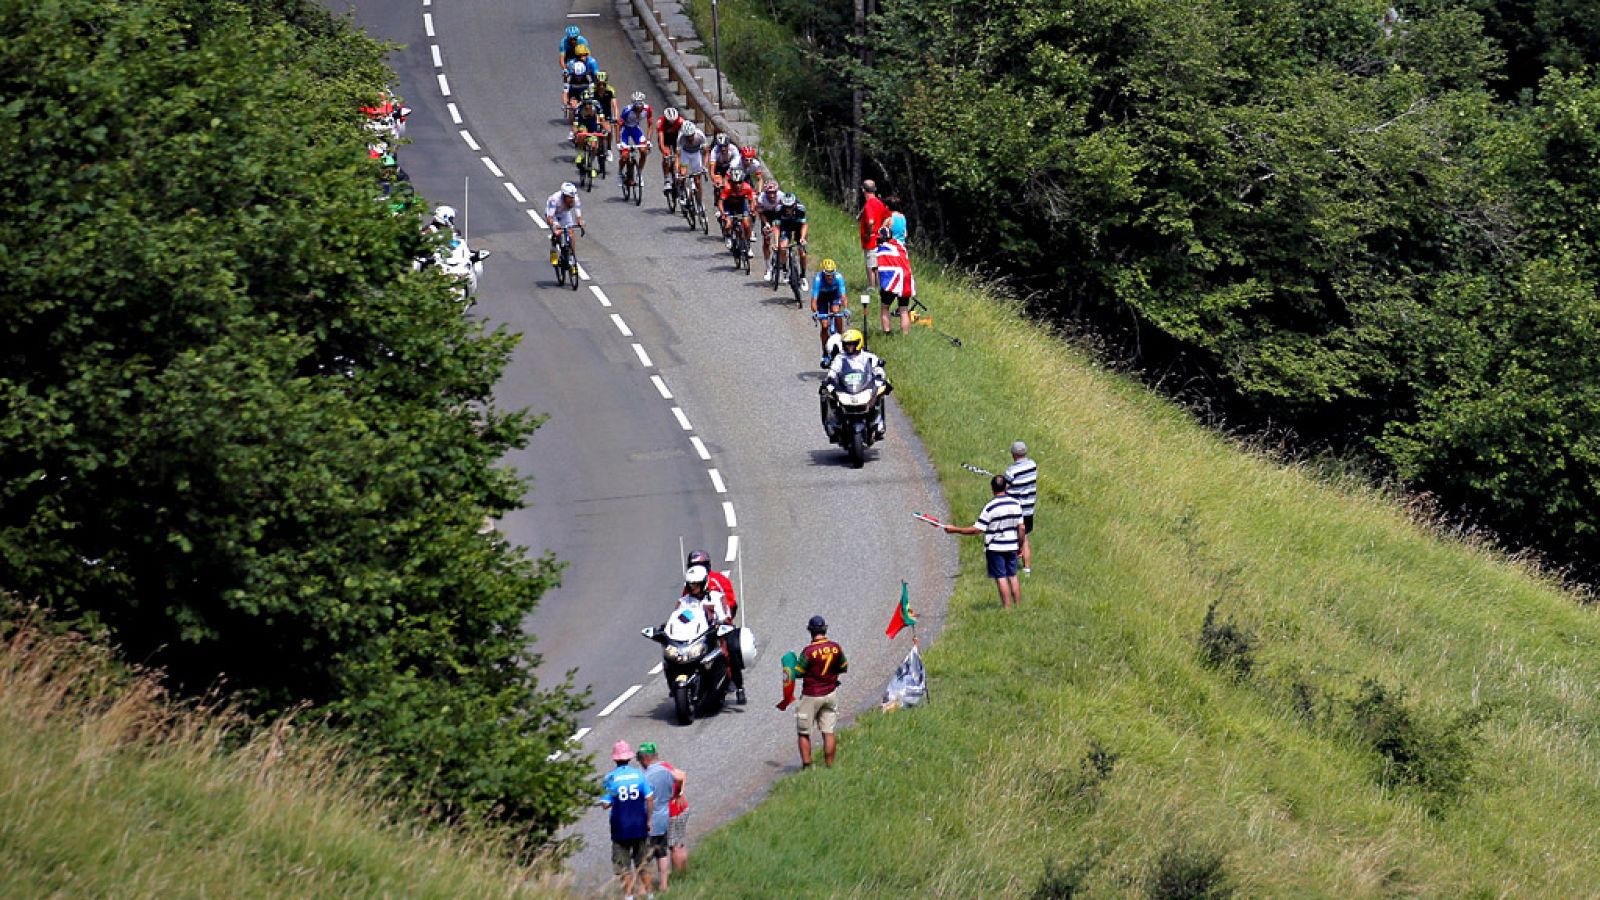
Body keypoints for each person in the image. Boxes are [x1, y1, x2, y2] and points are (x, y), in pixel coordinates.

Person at [943, 474, 1031, 609]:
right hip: (1012, 545)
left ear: (992, 488)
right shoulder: (1016, 504)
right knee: (1012, 576)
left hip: (995, 548)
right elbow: (1022, 528)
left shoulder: (990, 507)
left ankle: (1007, 609)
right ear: (1006, 487)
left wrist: (955, 529)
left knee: (1001, 577)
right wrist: (1019, 545)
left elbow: (977, 530)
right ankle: (1018, 606)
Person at [682, 563, 745, 703]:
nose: (693, 587)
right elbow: (678, 617)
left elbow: (726, 615)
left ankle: (739, 686)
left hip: (714, 634)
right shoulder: (684, 601)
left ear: (704, 583)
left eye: (696, 584)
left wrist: (719, 623)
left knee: (730, 649)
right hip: (694, 636)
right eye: (690, 584)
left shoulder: (717, 597)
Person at [600, 740, 654, 900]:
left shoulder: (610, 778)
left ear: (615, 759)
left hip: (620, 828)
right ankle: (650, 895)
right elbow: (649, 798)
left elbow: (605, 804)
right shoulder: (639, 775)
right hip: (639, 825)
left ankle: (629, 896)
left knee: (623, 866)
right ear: (629, 758)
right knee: (643, 863)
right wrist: (648, 820)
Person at [794, 615, 846, 768]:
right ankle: (829, 765)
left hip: (811, 695)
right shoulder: (836, 647)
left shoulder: (808, 652)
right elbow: (844, 667)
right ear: (825, 629)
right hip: (830, 693)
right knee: (828, 731)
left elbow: (798, 672)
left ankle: (807, 766)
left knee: (804, 732)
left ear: (810, 631)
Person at [821, 329, 889, 441]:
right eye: (846, 344)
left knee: (880, 392)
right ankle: (833, 424)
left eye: (851, 344)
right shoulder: (840, 358)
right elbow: (833, 371)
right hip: (846, 388)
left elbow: (878, 368)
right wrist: (829, 380)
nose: (849, 347)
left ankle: (878, 423)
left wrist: (880, 376)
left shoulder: (868, 356)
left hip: (864, 387)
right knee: (826, 394)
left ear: (858, 343)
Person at [637, 742, 681, 894]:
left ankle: (643, 889)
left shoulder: (645, 776)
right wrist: (674, 796)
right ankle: (664, 884)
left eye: (639, 760)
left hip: (649, 820)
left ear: (645, 759)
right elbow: (678, 781)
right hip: (664, 817)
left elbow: (643, 799)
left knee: (643, 857)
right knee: (662, 853)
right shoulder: (667, 771)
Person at [875, 224, 916, 335]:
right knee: (904, 309)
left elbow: (879, 269)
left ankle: (887, 334)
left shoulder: (880, 249)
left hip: (893, 279)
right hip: (907, 278)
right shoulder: (900, 245)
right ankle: (905, 335)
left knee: (885, 307)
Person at [1004, 440, 1039, 569]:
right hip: (1029, 510)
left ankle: (1009, 565)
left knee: (1011, 538)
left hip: (1015, 511)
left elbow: (1004, 488)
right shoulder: (1033, 465)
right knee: (1025, 539)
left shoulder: (1011, 471)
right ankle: (1027, 570)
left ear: (1013, 454)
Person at [810, 258, 849, 367]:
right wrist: (815, 312)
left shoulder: (839, 277)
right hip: (822, 298)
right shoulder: (818, 279)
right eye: (827, 274)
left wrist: (846, 308)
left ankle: (840, 336)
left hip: (834, 296)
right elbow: (814, 301)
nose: (830, 277)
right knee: (824, 325)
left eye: (832, 274)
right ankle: (825, 352)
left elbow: (843, 296)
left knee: (836, 311)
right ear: (823, 273)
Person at [616, 93, 653, 186]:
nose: (638, 107)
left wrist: (648, 140)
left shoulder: (647, 109)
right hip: (625, 130)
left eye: (640, 104)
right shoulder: (627, 110)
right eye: (636, 104)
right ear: (633, 104)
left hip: (635, 129)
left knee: (643, 151)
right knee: (624, 156)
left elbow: (650, 125)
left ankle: (639, 173)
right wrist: (618, 142)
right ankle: (620, 173)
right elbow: (618, 126)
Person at [857, 179, 890, 284]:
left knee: (870, 265)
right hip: (878, 239)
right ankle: (877, 287)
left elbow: (870, 222)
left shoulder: (869, 205)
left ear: (863, 190)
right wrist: (881, 229)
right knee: (876, 265)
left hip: (870, 241)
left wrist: (868, 234)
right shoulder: (879, 203)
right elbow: (888, 217)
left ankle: (871, 287)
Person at [545, 182, 585, 265]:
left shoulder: (575, 199)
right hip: (553, 215)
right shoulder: (554, 199)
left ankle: (572, 255)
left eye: (572, 197)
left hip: (564, 213)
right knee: (557, 233)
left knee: (571, 233)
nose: (571, 199)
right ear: (564, 196)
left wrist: (580, 222)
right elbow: (550, 218)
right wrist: (554, 226)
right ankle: (553, 249)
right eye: (569, 197)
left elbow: (578, 216)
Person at [717, 168, 756, 252]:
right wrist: (723, 213)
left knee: (747, 225)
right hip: (728, 206)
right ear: (731, 182)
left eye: (740, 182)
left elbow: (751, 201)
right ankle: (727, 236)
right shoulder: (727, 188)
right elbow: (720, 202)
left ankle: (748, 243)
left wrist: (752, 210)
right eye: (735, 183)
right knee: (728, 224)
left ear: (743, 181)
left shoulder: (747, 187)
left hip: (741, 205)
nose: (737, 185)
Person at [773, 192, 809, 281]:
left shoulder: (801, 209)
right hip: (785, 227)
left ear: (794, 205)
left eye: (790, 207)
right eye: (786, 207)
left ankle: (803, 276)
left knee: (802, 253)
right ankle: (784, 270)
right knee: (783, 248)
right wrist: (776, 243)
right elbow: (777, 227)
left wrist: (802, 238)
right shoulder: (779, 209)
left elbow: (804, 225)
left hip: (798, 226)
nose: (788, 209)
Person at [674, 122, 709, 212]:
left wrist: (705, 166)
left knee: (697, 181)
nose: (689, 138)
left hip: (696, 154)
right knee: (683, 174)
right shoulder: (681, 138)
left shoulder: (700, 135)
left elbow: (706, 153)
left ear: (694, 133)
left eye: (691, 136)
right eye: (687, 136)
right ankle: (683, 193)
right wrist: (677, 171)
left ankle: (699, 202)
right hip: (685, 154)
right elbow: (677, 156)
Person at [755, 179, 784, 268]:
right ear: (765, 192)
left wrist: (776, 225)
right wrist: (766, 223)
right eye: (769, 193)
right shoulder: (761, 199)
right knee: (766, 241)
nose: (772, 195)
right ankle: (768, 267)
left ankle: (782, 260)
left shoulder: (781, 196)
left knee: (782, 238)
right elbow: (761, 213)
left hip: (778, 215)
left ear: (777, 191)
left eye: (774, 192)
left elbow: (784, 212)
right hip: (766, 216)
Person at [592, 71, 620, 157]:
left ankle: (609, 149)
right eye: (599, 84)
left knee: (609, 130)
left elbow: (615, 105)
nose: (601, 87)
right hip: (595, 113)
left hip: (606, 112)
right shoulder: (591, 91)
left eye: (603, 84)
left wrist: (616, 117)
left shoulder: (610, 90)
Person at [655, 107, 684, 187]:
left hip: (676, 138)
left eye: (674, 121)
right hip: (665, 139)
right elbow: (661, 138)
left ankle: (680, 173)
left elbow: (684, 135)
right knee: (666, 156)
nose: (672, 123)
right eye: (670, 121)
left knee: (679, 155)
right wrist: (663, 150)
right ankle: (666, 179)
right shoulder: (660, 122)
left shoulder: (681, 121)